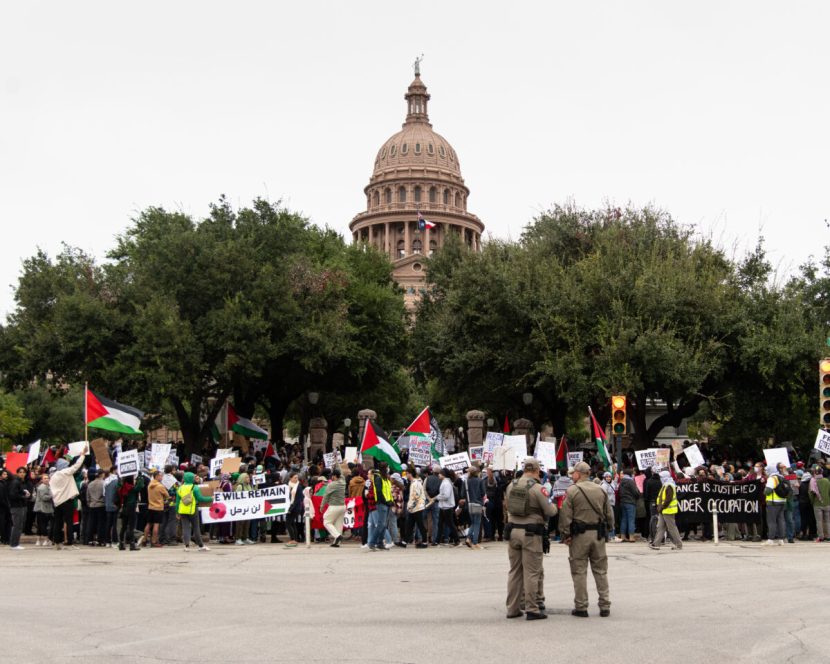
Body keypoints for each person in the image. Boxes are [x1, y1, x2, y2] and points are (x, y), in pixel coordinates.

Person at [504, 458, 557, 621]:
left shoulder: (511, 485)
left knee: (515, 571)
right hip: (531, 534)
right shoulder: (538, 488)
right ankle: (532, 608)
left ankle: (512, 609)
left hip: (512, 531)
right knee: (532, 572)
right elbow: (551, 511)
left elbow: (507, 505)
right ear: (536, 471)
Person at [559, 461, 614, 618]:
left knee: (579, 572)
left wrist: (565, 535)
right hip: (598, 535)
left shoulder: (572, 491)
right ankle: (605, 605)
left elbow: (565, 516)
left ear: (578, 473)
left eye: (573, 473)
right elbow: (609, 513)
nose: (572, 476)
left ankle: (581, 606)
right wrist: (609, 530)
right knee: (601, 571)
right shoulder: (600, 490)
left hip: (579, 536)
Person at [50, 454, 86, 550]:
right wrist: (82, 455)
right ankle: (69, 543)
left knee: (58, 522)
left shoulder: (53, 476)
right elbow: (76, 466)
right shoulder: (66, 472)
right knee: (69, 521)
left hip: (57, 502)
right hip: (67, 500)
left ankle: (57, 542)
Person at [176, 471, 212, 551]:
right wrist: (210, 498)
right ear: (191, 478)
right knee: (196, 528)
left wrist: (177, 511)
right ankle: (200, 545)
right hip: (193, 509)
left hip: (182, 510)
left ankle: (186, 546)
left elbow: (177, 501)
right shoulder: (194, 487)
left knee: (186, 528)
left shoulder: (180, 488)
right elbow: (200, 498)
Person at [649, 470, 683, 551]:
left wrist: (661, 507)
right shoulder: (666, 485)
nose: (660, 478)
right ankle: (656, 544)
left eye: (661, 477)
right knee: (660, 527)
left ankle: (678, 544)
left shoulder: (669, 486)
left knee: (671, 528)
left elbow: (668, 499)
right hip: (663, 510)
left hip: (668, 510)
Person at [404, 464, 429, 548]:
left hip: (417, 507)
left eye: (406, 473)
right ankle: (404, 541)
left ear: (410, 474)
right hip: (415, 507)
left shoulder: (415, 483)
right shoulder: (414, 483)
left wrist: (410, 506)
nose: (406, 475)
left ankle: (425, 542)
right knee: (409, 525)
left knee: (420, 525)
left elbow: (416, 496)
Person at [321, 467, 346, 547]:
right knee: (338, 524)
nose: (331, 477)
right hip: (342, 506)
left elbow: (326, 496)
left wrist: (322, 506)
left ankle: (337, 536)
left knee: (326, 521)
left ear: (334, 476)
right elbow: (341, 473)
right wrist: (336, 464)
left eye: (332, 476)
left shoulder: (332, 485)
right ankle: (337, 542)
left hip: (334, 506)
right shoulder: (343, 482)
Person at [764, 464, 788, 545]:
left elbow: (768, 491)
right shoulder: (781, 477)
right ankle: (781, 539)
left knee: (771, 521)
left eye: (767, 470)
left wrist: (764, 490)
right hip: (782, 501)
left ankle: (770, 539)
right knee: (781, 520)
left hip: (773, 502)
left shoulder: (772, 478)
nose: (766, 472)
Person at [8, 466, 31, 550]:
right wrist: (23, 496)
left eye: (24, 472)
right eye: (20, 472)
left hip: (21, 506)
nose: (22, 474)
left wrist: (24, 493)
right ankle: (14, 544)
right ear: (17, 473)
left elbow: (18, 492)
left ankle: (15, 543)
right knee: (17, 525)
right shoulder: (15, 482)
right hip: (16, 506)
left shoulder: (20, 482)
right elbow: (13, 495)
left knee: (19, 525)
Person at [463, 466, 486, 549]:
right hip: (478, 503)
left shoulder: (465, 482)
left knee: (473, 522)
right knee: (477, 523)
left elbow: (462, 494)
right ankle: (475, 542)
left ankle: (468, 538)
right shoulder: (480, 481)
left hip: (469, 504)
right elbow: (483, 493)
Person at [436, 468, 459, 547]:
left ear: (443, 475)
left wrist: (437, 497)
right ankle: (437, 540)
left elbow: (446, 496)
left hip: (447, 507)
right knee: (441, 524)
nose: (438, 475)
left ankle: (457, 540)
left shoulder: (446, 483)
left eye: (440, 473)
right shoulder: (445, 482)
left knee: (450, 524)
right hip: (443, 506)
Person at [145, 470, 167, 547]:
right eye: (161, 476)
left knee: (148, 524)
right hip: (158, 507)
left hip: (150, 506)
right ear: (157, 476)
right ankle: (154, 541)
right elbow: (167, 495)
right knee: (156, 525)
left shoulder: (149, 484)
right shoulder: (160, 486)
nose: (162, 477)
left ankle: (144, 539)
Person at [618, 468, 640, 542]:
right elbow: (635, 492)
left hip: (622, 502)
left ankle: (623, 536)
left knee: (624, 519)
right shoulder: (630, 481)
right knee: (631, 519)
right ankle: (631, 537)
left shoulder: (622, 481)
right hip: (630, 502)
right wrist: (637, 496)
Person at [84, 469, 106, 546]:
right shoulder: (103, 483)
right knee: (101, 523)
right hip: (101, 505)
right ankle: (100, 540)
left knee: (91, 523)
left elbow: (87, 496)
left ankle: (89, 539)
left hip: (92, 505)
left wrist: (89, 503)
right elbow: (105, 495)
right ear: (102, 474)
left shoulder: (90, 484)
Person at [809, 464, 830, 542]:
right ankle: (828, 536)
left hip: (817, 504)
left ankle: (821, 537)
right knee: (827, 521)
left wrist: (812, 502)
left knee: (819, 521)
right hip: (827, 503)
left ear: (814, 472)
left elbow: (810, 494)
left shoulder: (813, 481)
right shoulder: (826, 481)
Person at [33, 474, 53, 546]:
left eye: (47, 478)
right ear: (42, 480)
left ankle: (38, 540)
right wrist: (52, 495)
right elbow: (44, 498)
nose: (47, 479)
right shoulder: (42, 487)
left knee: (41, 524)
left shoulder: (47, 486)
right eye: (45, 478)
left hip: (43, 508)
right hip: (42, 508)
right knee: (43, 525)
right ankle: (46, 539)